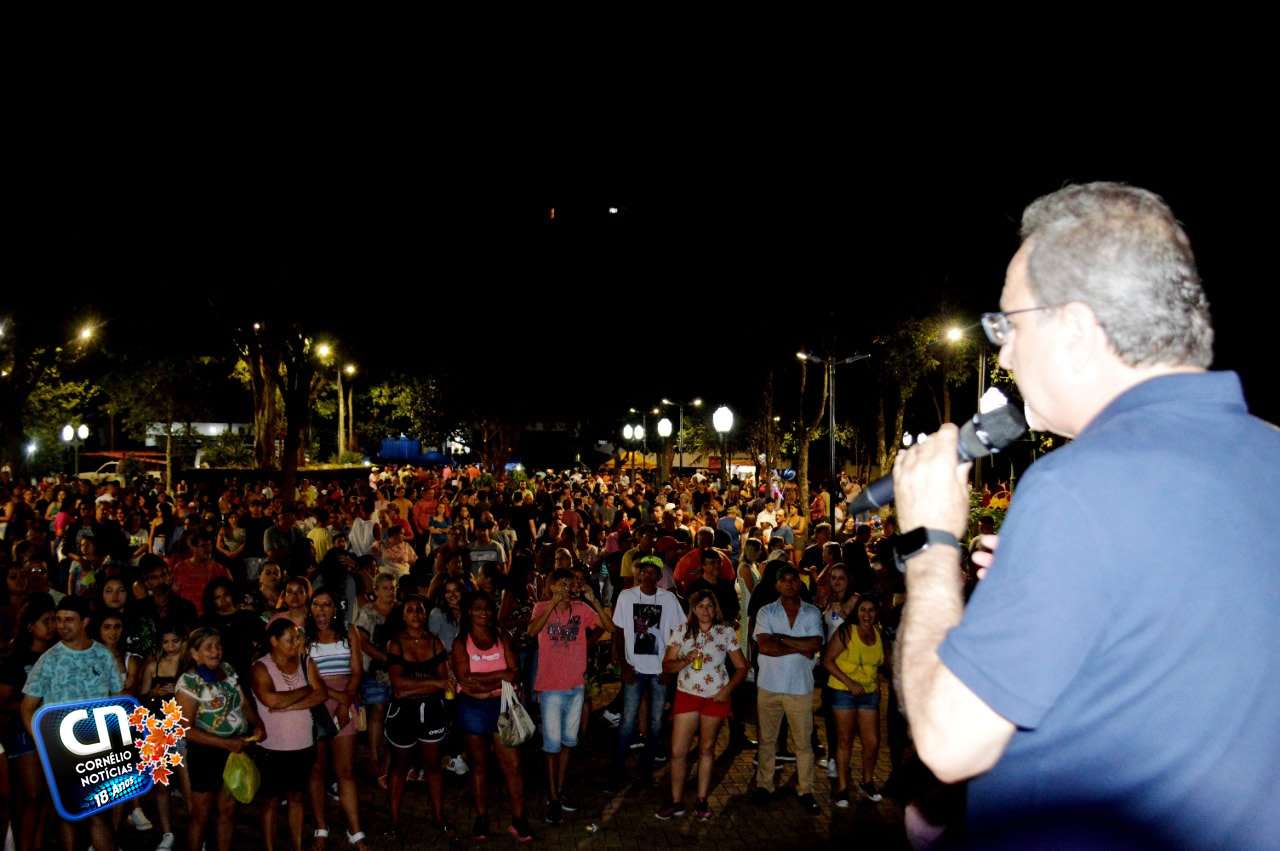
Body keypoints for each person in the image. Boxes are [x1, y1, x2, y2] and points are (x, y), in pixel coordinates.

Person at [893, 182, 1280, 848]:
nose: (1005, 352)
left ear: (1074, 327)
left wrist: (930, 544)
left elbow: (948, 742)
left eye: (1009, 323)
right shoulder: (1268, 452)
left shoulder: (1076, 487)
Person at [20, 596, 124, 851]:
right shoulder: (49, 659)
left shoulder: (102, 655)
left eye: (69, 619)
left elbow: (118, 699)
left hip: (98, 746)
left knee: (98, 812)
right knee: (68, 814)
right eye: (58, 619)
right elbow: (27, 708)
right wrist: (43, 744)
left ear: (85, 622)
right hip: (60, 746)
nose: (62, 625)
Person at [527, 566, 615, 825]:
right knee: (551, 746)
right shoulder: (541, 608)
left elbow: (610, 627)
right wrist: (551, 604)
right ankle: (553, 798)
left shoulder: (582, 609)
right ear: (551, 587)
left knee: (568, 743)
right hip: (551, 688)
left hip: (575, 687)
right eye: (560, 584)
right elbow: (531, 632)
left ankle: (560, 792)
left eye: (569, 584)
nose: (566, 589)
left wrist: (594, 602)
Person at [655, 589, 748, 822]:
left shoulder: (725, 632)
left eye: (710, 605)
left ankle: (701, 799)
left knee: (706, 749)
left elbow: (742, 667)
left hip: (715, 696)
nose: (705, 610)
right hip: (687, 694)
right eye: (701, 606)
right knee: (678, 751)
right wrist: (684, 660)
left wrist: (727, 690)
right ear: (693, 609)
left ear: (715, 609)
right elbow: (666, 665)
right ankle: (676, 800)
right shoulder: (682, 631)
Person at [175, 626, 267, 851]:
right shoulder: (189, 683)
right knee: (201, 814)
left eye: (218, 645)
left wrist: (258, 724)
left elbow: (244, 703)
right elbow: (184, 729)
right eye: (208, 647)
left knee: (228, 809)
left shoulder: (228, 670)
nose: (216, 651)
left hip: (234, 749)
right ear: (195, 654)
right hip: (206, 753)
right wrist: (225, 743)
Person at [451, 590, 531, 842]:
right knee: (479, 765)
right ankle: (481, 817)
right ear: (469, 611)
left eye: (487, 607)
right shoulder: (460, 641)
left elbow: (515, 673)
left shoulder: (502, 636)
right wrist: (499, 677)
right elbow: (464, 679)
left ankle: (518, 820)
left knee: (514, 766)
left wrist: (482, 686)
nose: (484, 612)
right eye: (477, 607)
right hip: (473, 709)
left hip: (502, 706)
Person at [751, 565, 822, 814]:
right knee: (767, 740)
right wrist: (799, 647)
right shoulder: (766, 611)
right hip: (769, 686)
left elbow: (815, 643)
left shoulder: (812, 613)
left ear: (800, 585)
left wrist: (781, 638)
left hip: (800, 688)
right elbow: (765, 647)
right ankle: (764, 784)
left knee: (803, 743)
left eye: (794, 580)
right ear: (777, 585)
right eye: (785, 580)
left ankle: (806, 789)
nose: (790, 584)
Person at [251, 617, 326, 851]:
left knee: (296, 798)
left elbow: (321, 694)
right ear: (274, 641)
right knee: (272, 801)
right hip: (272, 746)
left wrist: (290, 705)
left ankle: (297, 846)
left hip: (302, 743)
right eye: (290, 639)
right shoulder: (261, 667)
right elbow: (270, 699)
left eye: (297, 637)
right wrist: (305, 690)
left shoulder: (306, 662)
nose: (297, 643)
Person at [382, 595, 451, 839]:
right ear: (402, 615)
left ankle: (439, 818)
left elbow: (447, 684)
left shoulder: (436, 644)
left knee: (433, 765)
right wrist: (433, 681)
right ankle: (394, 820)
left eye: (420, 610)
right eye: (410, 610)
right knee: (399, 766)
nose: (415, 614)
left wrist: (417, 686)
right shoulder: (395, 644)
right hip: (403, 712)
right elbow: (398, 686)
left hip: (431, 711)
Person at [304, 589, 368, 849]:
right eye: (316, 605)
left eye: (326, 605)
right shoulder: (304, 637)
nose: (321, 611)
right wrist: (337, 697)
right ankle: (321, 826)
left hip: (344, 701)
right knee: (317, 769)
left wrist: (347, 699)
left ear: (336, 609)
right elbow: (305, 675)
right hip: (317, 704)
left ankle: (355, 830)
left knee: (346, 770)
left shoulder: (349, 632)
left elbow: (356, 670)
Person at [610, 557, 683, 782]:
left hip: (659, 669)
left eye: (654, 572)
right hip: (635, 667)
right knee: (627, 721)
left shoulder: (669, 599)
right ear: (638, 574)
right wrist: (623, 663)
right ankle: (617, 769)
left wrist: (671, 668)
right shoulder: (626, 596)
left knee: (656, 722)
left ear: (660, 576)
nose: (649, 575)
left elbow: (679, 632)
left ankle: (646, 766)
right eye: (645, 571)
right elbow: (618, 631)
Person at [0, 597, 55, 851]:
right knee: (31, 794)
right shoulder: (16, 659)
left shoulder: (58, 656)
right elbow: (3, 700)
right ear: (30, 626)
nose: (52, 625)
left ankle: (36, 844)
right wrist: (32, 707)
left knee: (47, 795)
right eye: (46, 621)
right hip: (23, 730)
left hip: (53, 729)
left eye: (54, 620)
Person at [822, 595, 886, 806]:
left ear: (876, 613)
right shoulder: (846, 632)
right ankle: (842, 787)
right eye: (863, 610)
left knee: (872, 742)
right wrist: (849, 683)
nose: (867, 615)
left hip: (868, 693)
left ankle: (867, 781)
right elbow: (828, 661)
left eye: (871, 610)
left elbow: (874, 665)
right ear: (856, 612)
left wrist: (876, 684)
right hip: (843, 690)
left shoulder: (877, 634)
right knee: (845, 740)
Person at [138, 621, 193, 850]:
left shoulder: (190, 664)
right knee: (161, 784)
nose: (170, 646)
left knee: (188, 782)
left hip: (182, 727)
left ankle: (197, 832)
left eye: (175, 641)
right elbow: (141, 699)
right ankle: (167, 832)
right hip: (157, 728)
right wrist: (153, 693)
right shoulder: (153, 665)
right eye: (165, 642)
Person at [354, 572, 396, 788]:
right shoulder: (368, 612)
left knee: (392, 713)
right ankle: (373, 756)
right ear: (376, 591)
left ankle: (387, 759)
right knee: (378, 712)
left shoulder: (399, 611)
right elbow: (362, 642)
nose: (390, 592)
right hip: (373, 669)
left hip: (394, 672)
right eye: (386, 588)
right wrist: (388, 659)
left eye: (392, 588)